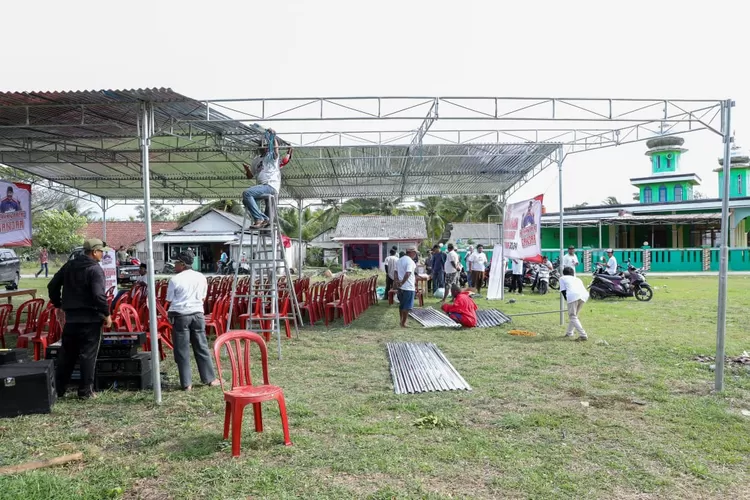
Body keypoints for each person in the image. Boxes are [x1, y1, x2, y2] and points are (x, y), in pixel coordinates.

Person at [48, 238, 113, 399]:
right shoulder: (94, 269)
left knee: (66, 355)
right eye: (101, 252)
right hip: (91, 319)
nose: (102, 255)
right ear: (94, 252)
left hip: (71, 319)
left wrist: (59, 304)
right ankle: (85, 391)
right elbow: (98, 295)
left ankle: (58, 389)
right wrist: (107, 313)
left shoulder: (69, 265)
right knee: (88, 355)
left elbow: (52, 285)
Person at [166, 251, 220, 391]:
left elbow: (169, 300)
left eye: (176, 263)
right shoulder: (201, 277)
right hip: (197, 314)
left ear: (182, 264)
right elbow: (203, 297)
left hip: (180, 316)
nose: (174, 265)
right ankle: (209, 378)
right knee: (201, 346)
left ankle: (186, 383)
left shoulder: (175, 280)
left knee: (182, 350)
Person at [241, 130, 293, 229]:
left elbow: (276, 150)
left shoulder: (271, 157)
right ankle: (264, 218)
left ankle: (259, 218)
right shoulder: (256, 160)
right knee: (246, 200)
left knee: (247, 193)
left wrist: (273, 137)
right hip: (263, 187)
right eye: (261, 146)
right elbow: (250, 176)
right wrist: (247, 169)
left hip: (270, 185)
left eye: (265, 146)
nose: (263, 148)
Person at [560, 266, 589, 341]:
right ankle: (569, 332)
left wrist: (568, 301)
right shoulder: (577, 279)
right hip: (584, 295)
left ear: (564, 273)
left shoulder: (562, 278)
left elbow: (563, 291)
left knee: (572, 316)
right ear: (573, 273)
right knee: (574, 316)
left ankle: (583, 335)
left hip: (573, 296)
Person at [395, 245, 419, 328]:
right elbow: (408, 273)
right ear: (412, 253)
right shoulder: (410, 262)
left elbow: (395, 272)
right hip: (408, 287)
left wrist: (397, 282)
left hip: (401, 287)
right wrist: (402, 282)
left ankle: (401, 320)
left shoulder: (399, 260)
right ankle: (403, 323)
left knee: (401, 305)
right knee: (407, 306)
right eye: (415, 253)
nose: (416, 254)